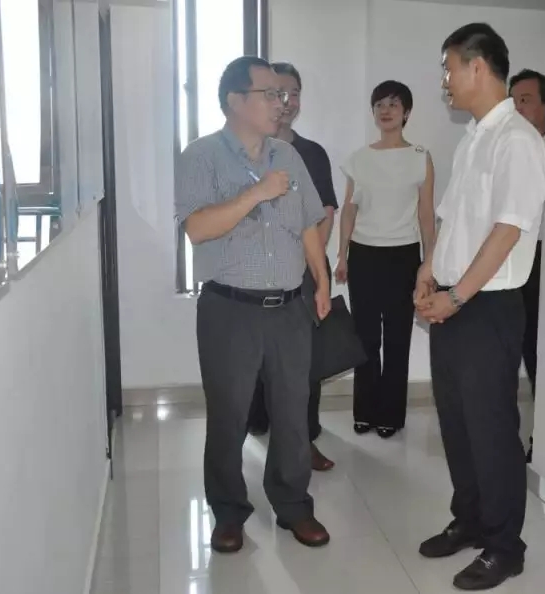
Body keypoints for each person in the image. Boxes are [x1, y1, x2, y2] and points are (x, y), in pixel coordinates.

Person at [174, 56, 332, 554]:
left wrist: (321, 280)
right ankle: (228, 512)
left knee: (292, 414)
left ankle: (293, 505)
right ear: (235, 101)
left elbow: (308, 223)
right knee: (230, 416)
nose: (281, 103)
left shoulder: (289, 157)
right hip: (229, 309)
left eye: (283, 94)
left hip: (288, 306)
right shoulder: (200, 156)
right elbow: (197, 228)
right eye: (269, 94)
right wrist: (257, 193)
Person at [415, 24, 545, 591]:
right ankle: (469, 521)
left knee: (491, 430)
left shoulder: (517, 140)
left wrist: (456, 295)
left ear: (477, 67)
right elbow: (453, 219)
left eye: (449, 68)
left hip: (486, 306)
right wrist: (428, 269)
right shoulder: (474, 137)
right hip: (456, 300)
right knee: (457, 423)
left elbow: (507, 232)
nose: (445, 80)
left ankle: (504, 547)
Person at [246, 62, 338, 473]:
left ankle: (305, 438)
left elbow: (325, 212)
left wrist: (311, 263)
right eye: (277, 92)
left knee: (305, 362)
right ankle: (259, 423)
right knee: (256, 356)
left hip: (302, 271)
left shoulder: (312, 153)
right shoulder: (248, 149)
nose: (286, 102)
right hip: (255, 273)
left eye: (294, 93)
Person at [335, 80, 435, 439]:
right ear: (373, 112)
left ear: (406, 112)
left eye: (393, 104)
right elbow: (349, 210)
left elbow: (426, 214)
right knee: (364, 337)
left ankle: (391, 414)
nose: (386, 110)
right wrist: (342, 255)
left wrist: (429, 263)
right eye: (380, 104)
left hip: (403, 256)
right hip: (363, 254)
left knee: (397, 337)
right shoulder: (359, 159)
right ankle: (365, 411)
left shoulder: (420, 157)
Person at [509, 68, 545, 463]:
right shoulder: (510, 152)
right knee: (512, 351)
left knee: (541, 354)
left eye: (526, 100)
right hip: (511, 262)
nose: (518, 108)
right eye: (513, 101)